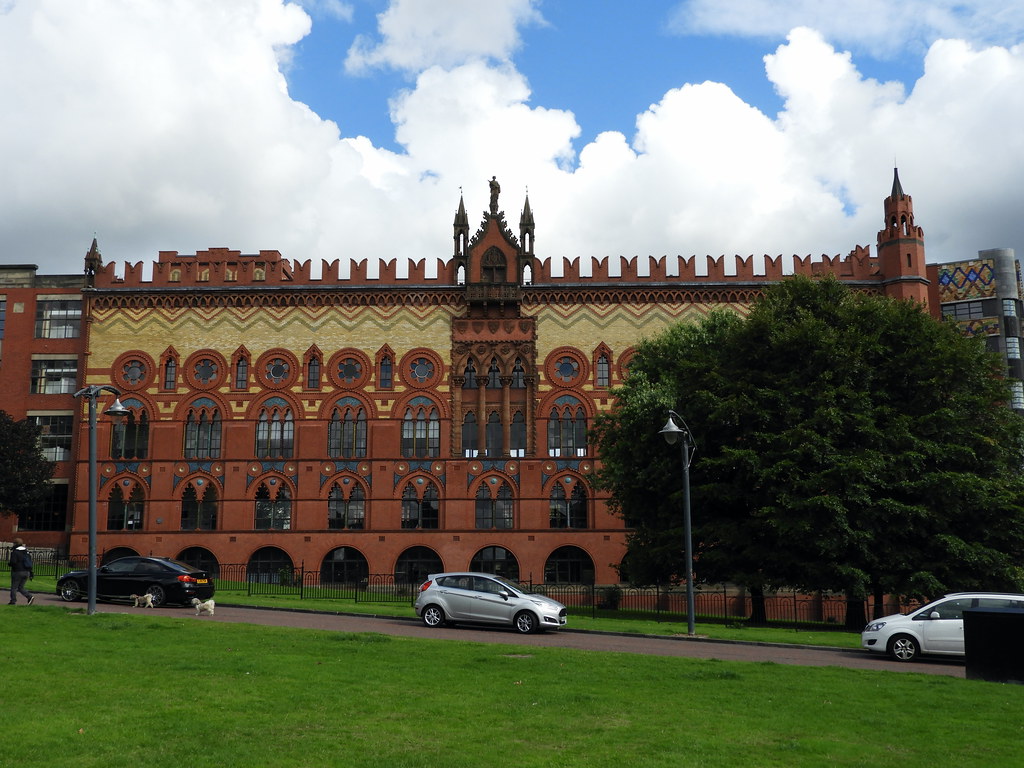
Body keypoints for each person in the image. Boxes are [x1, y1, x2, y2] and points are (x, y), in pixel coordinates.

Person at [8, 538, 34, 605]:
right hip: (27, 572)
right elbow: (29, 562)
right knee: (21, 587)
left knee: (14, 587)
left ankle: (13, 601)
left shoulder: (15, 552)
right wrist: (31, 572)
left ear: (15, 543)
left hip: (17, 572)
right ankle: (29, 596)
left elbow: (13, 562)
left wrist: (9, 564)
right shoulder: (26, 552)